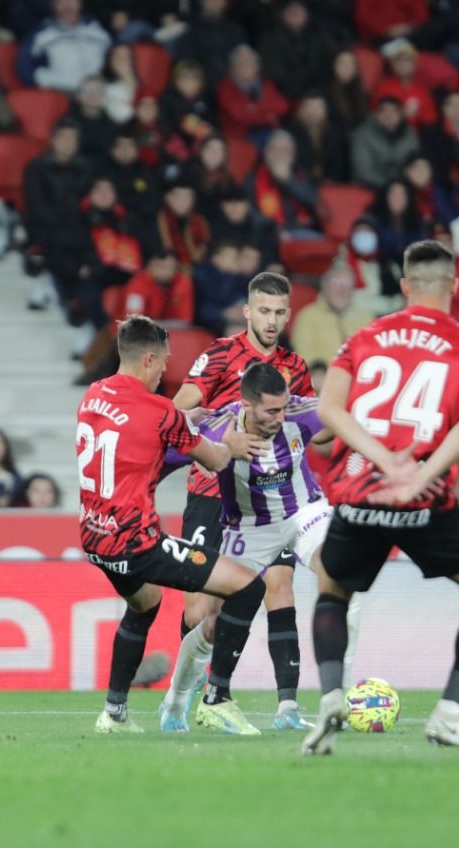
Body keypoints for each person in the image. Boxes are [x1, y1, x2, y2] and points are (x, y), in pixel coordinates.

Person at [302, 239, 459, 758]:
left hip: (359, 497)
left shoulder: (364, 337)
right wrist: (419, 472)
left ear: (403, 286)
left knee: (332, 591)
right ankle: (452, 712)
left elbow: (330, 410)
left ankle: (332, 697)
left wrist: (382, 457)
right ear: (455, 286)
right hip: (424, 501)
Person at [75, 314, 263, 734]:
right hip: (136, 543)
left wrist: (193, 419)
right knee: (249, 586)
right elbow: (214, 461)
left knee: (145, 604)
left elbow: (140, 432)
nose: (166, 371)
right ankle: (215, 698)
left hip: (94, 537)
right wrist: (229, 443)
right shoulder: (159, 410)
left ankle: (115, 713)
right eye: (163, 362)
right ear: (147, 359)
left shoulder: (92, 394)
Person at [160, 362, 362, 735]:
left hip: (305, 513)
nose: (281, 416)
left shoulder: (301, 413)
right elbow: (161, 452)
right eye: (272, 410)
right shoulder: (217, 427)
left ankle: (336, 698)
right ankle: (176, 698)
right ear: (247, 405)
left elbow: (348, 413)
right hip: (250, 527)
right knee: (212, 624)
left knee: (345, 575)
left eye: (284, 406)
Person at [168, 272, 313, 715]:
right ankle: (186, 695)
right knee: (200, 613)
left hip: (269, 499)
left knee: (280, 587)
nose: (271, 321)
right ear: (248, 311)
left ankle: (287, 706)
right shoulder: (220, 354)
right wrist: (217, 424)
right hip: (212, 492)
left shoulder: (296, 367)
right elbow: (179, 408)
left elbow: (308, 423)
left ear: (288, 314)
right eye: (263, 311)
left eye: (279, 313)